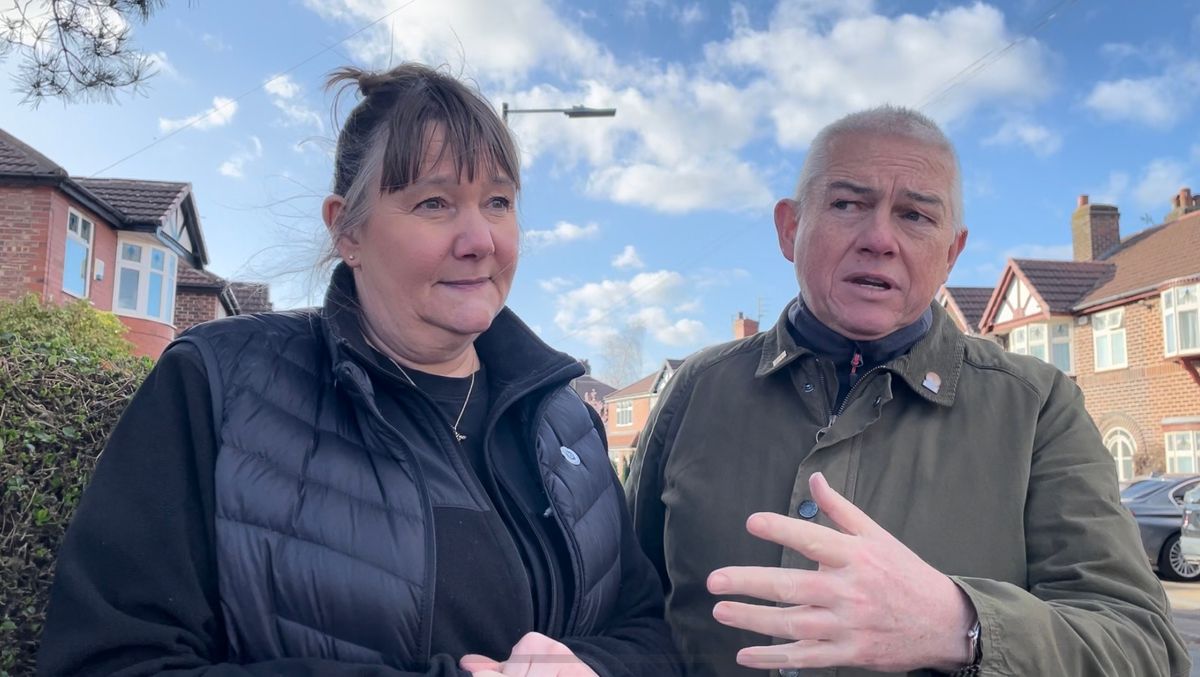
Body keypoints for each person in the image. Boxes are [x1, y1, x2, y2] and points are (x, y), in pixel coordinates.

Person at [37, 63, 680, 677]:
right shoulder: (216, 386)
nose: (480, 238)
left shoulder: (565, 423)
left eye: (498, 202)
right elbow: (110, 660)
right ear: (347, 231)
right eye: (434, 202)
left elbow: (647, 631)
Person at [626, 105, 1191, 676]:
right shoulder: (695, 391)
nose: (879, 238)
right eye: (847, 204)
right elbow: (626, 611)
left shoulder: (1037, 408)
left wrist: (960, 625)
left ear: (951, 252)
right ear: (790, 228)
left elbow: (1142, 648)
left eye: (916, 215)